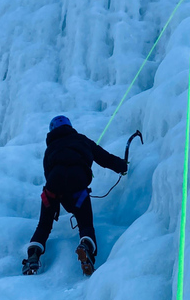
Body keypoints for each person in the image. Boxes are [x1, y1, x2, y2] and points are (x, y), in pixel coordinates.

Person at [23, 115, 128, 276]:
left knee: (43, 226)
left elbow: (48, 173)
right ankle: (85, 246)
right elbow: (104, 158)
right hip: (77, 185)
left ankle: (32, 258)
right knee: (85, 225)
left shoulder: (50, 148)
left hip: (53, 186)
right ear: (69, 126)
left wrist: (55, 204)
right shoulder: (82, 140)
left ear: (52, 131)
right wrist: (122, 166)